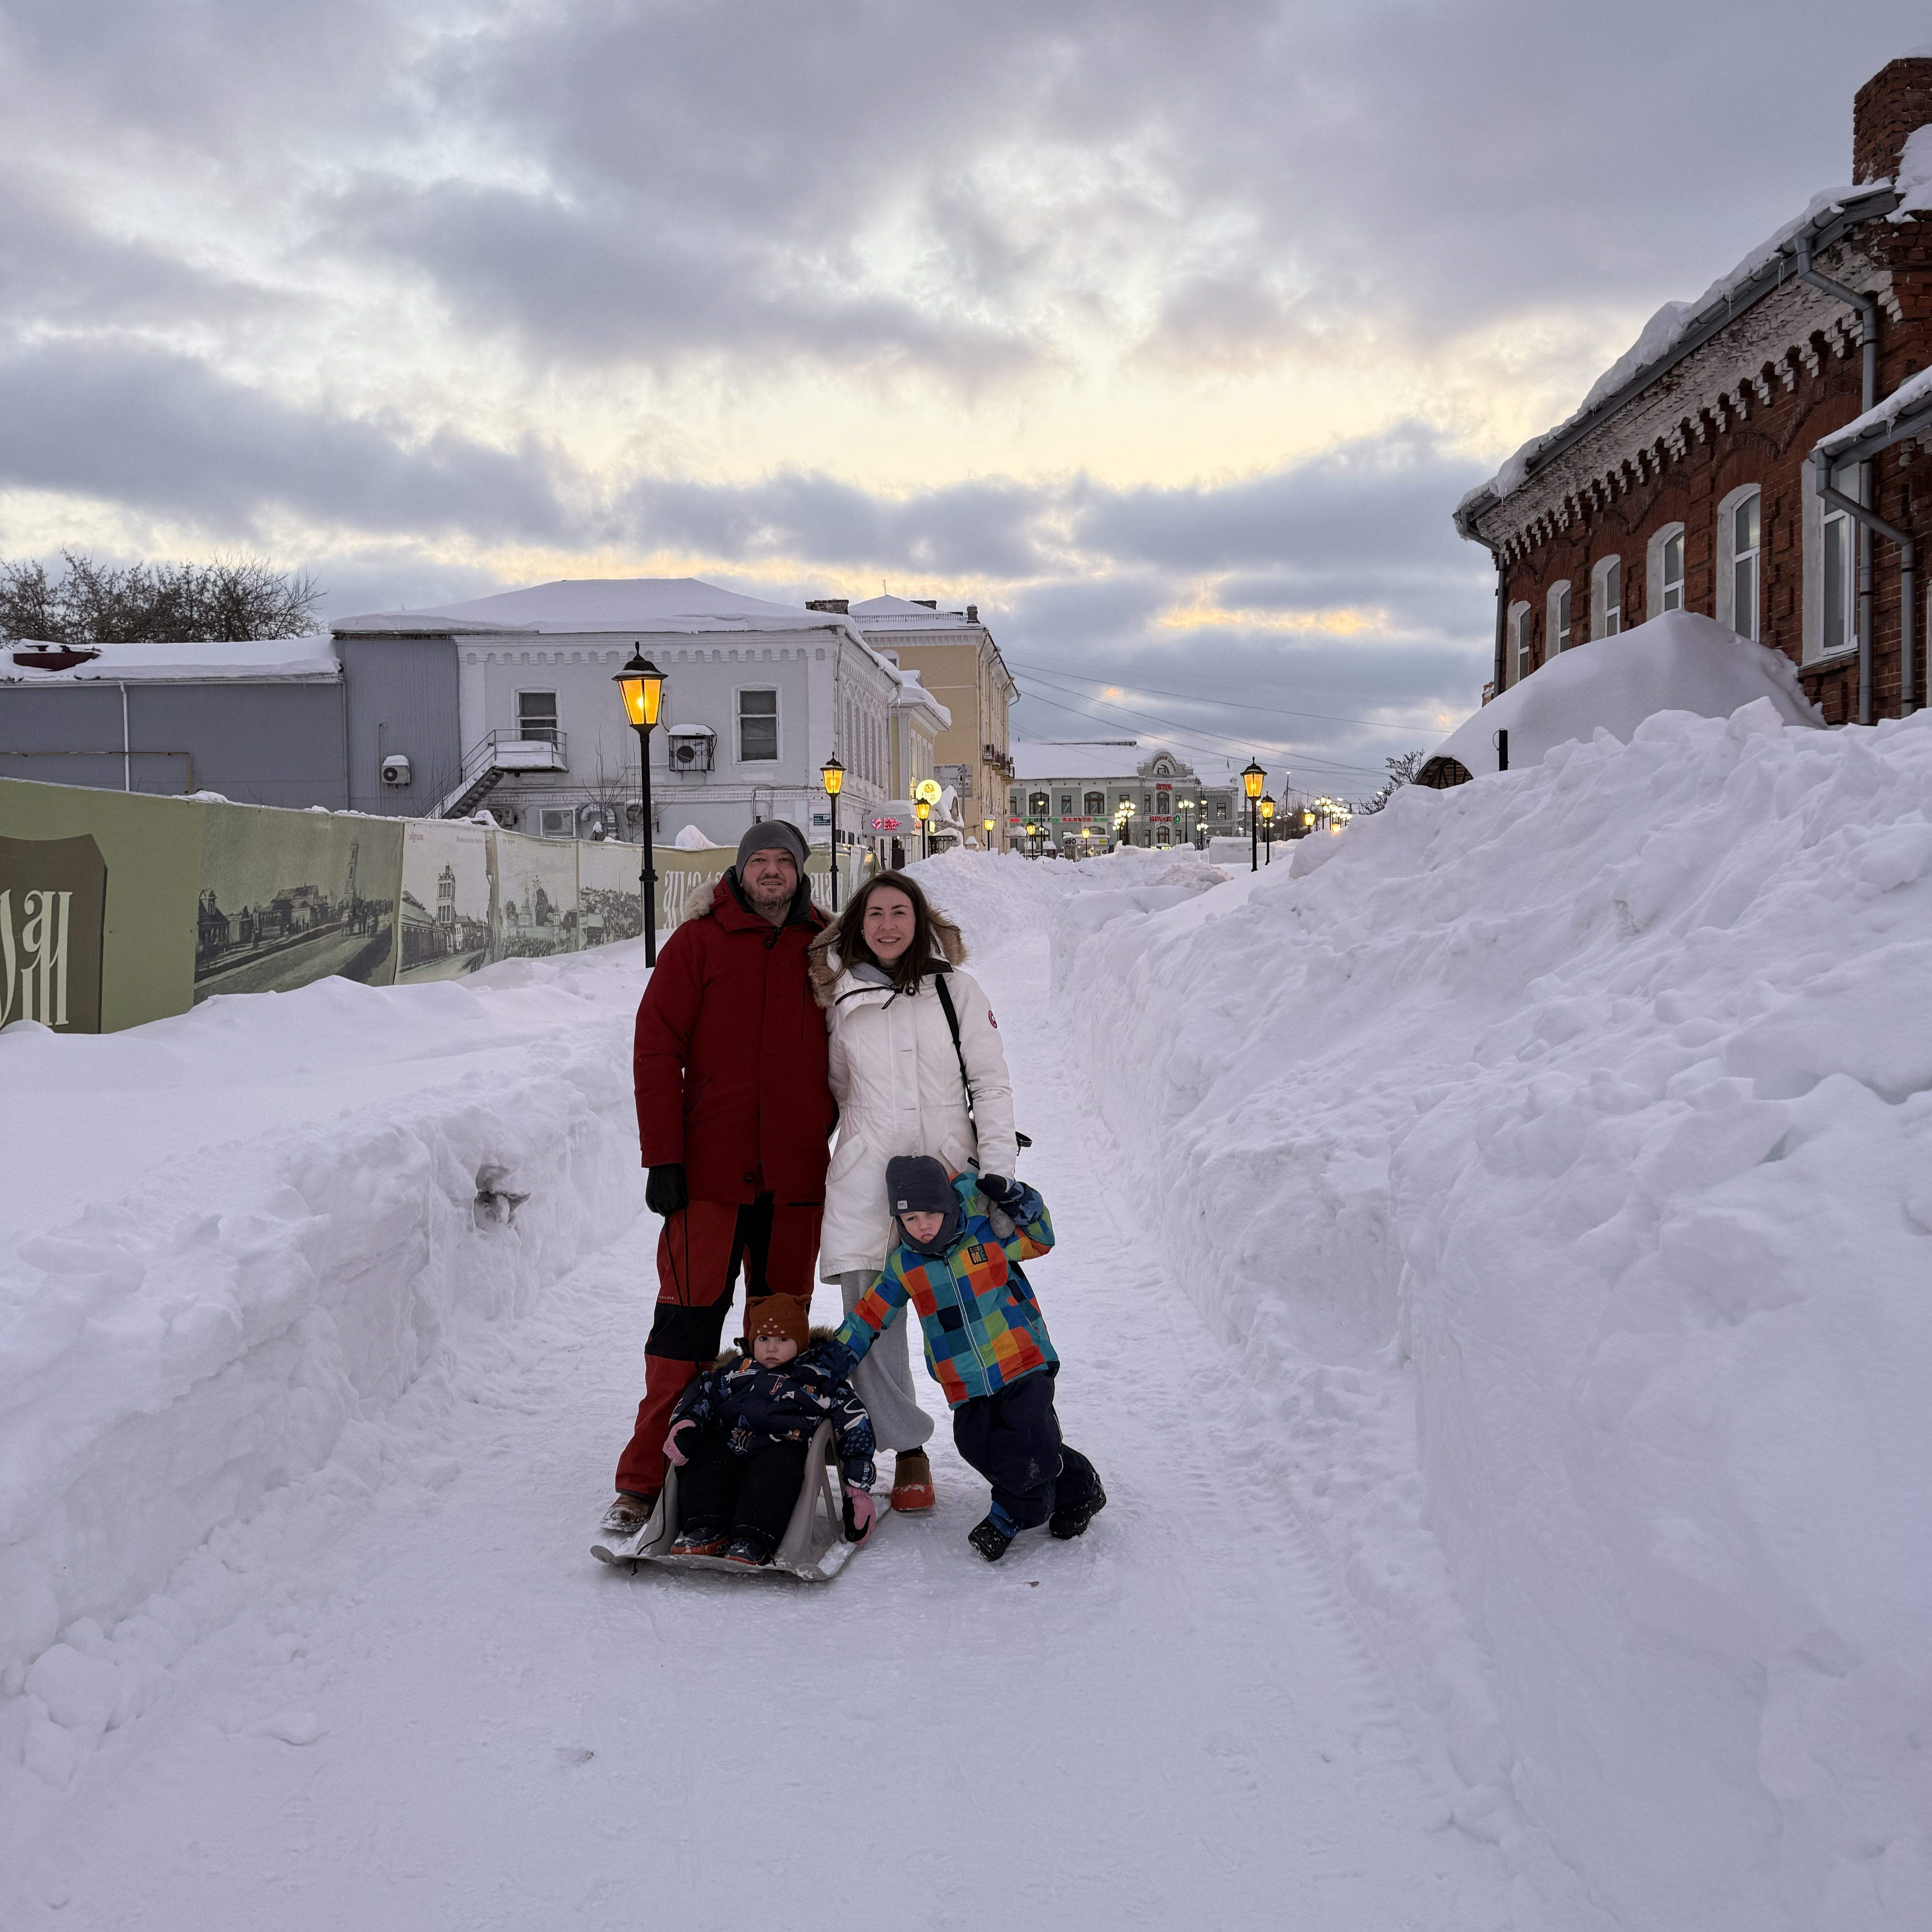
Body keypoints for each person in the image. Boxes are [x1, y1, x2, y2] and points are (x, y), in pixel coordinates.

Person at [602, 820, 836, 1537]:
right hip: (705, 1177)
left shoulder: (827, 946)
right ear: (740, 871)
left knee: (781, 1336)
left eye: (783, 862)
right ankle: (644, 1480)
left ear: (800, 872)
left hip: (794, 1177)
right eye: (759, 862)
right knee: (685, 1328)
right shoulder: (697, 942)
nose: (772, 873)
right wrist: (662, 1156)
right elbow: (655, 1048)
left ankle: (773, 1473)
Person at [808, 870, 1018, 1515]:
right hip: (867, 1177)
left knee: (974, 1320)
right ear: (858, 924)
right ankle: (906, 1451)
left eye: (901, 912)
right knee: (871, 1316)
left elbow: (991, 1084)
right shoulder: (840, 999)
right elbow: (839, 1091)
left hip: (950, 1177)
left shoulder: (957, 990)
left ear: (920, 920)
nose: (889, 925)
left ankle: (1013, 1446)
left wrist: (999, 1170)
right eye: (875, 914)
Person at [831, 1154, 1105, 1563]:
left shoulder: (986, 1236)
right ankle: (1078, 1487)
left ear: (948, 1205)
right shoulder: (905, 1266)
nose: (921, 1226)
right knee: (976, 1444)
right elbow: (870, 1314)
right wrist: (834, 1356)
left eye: (930, 1214)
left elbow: (1041, 1238)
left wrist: (1016, 1198)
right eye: (909, 1219)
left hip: (1022, 1359)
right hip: (964, 1380)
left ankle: (1010, 1516)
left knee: (1026, 1437)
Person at [663, 1293, 877, 1567]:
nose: (772, 1348)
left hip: (781, 1447)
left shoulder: (818, 1377)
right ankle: (704, 1528)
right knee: (705, 1455)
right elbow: (704, 1392)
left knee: (777, 1470)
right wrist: (686, 1425)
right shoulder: (736, 1371)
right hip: (730, 1444)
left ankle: (754, 1538)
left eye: (782, 1340)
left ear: (800, 1343)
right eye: (764, 1339)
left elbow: (854, 1422)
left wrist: (857, 1491)